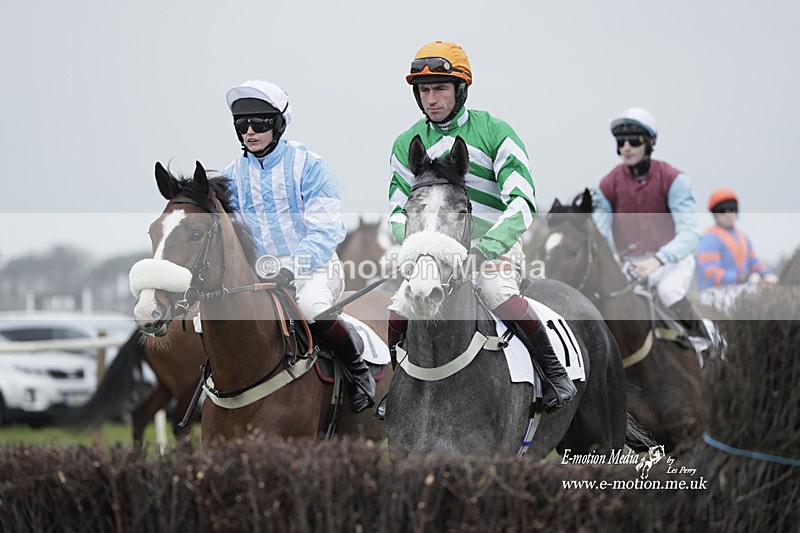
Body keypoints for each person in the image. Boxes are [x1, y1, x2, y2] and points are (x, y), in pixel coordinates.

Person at [386, 41, 576, 413]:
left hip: (491, 248)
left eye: (440, 88)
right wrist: (415, 248)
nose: (432, 99)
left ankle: (555, 375)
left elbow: (522, 202)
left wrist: (485, 249)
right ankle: (397, 392)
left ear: (461, 90)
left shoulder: (495, 131)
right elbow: (397, 209)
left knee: (495, 292)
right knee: (398, 310)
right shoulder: (405, 143)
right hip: (430, 254)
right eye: (424, 91)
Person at [223, 79, 375, 413]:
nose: (249, 131)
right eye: (241, 125)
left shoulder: (311, 166)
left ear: (278, 124)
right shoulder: (231, 176)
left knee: (310, 308)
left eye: (259, 123)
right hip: (259, 275)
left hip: (315, 268)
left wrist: (293, 268)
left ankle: (359, 372)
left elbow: (325, 231)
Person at [592, 107, 704, 333]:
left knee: (668, 292)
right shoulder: (607, 185)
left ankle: (705, 341)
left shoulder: (674, 180)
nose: (626, 147)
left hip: (673, 261)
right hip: (631, 263)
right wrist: (609, 254)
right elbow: (599, 231)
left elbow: (690, 234)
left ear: (650, 143)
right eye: (621, 141)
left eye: (633, 140)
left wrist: (658, 260)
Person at [695, 188, 778, 310]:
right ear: (715, 214)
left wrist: (768, 275)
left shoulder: (742, 237)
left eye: (732, 209)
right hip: (715, 294)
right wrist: (743, 277)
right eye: (723, 211)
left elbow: (754, 264)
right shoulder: (709, 238)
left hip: (741, 290)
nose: (728, 214)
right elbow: (711, 273)